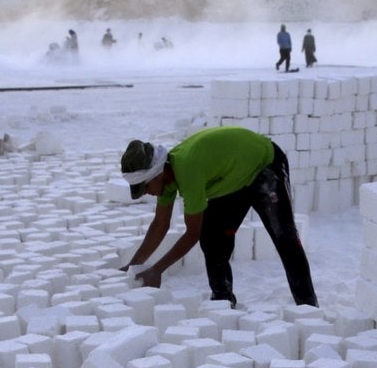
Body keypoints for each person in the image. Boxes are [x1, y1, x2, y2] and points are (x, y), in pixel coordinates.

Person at [118, 126, 317, 307]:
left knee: (284, 236)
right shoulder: (167, 180)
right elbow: (160, 224)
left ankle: (307, 307)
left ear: (156, 174)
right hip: (231, 178)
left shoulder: (187, 169)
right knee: (212, 238)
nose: (145, 193)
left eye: (145, 187)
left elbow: (192, 233)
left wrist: (157, 269)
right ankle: (223, 303)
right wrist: (134, 265)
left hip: (264, 165)